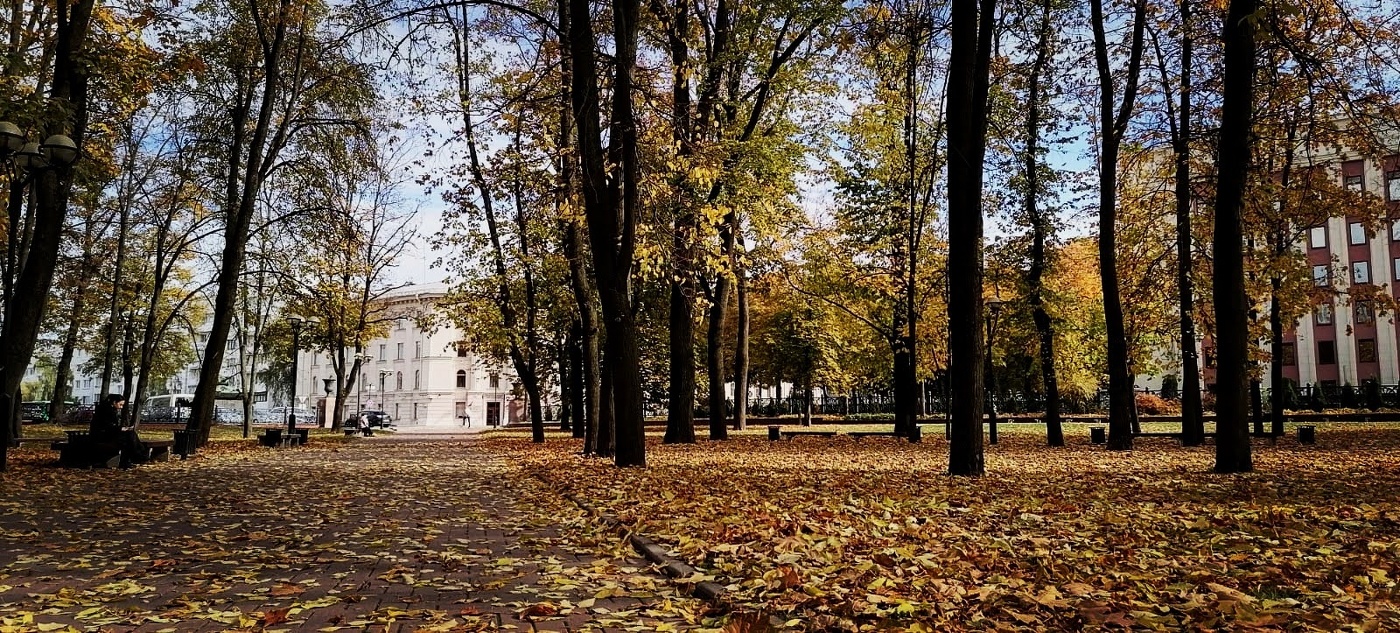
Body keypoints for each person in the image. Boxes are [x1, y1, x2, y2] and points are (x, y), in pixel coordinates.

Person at [92, 394, 146, 468]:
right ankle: (138, 455)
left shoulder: (110, 410)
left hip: (108, 434)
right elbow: (106, 427)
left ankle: (136, 456)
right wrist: (120, 429)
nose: (121, 407)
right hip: (102, 436)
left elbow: (111, 426)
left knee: (130, 435)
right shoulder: (105, 411)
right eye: (120, 404)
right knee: (129, 437)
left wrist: (122, 429)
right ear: (114, 402)